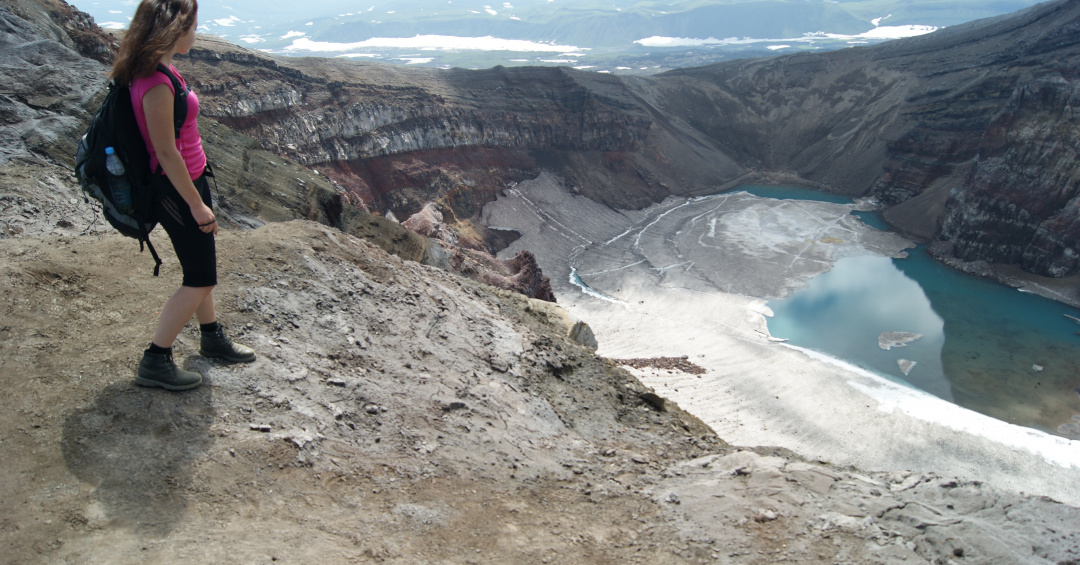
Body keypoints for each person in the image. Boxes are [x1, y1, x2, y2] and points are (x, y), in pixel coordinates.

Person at [109, 0, 255, 391]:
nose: (196, 34)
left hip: (186, 182)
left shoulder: (159, 69)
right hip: (176, 189)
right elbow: (165, 151)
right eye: (192, 26)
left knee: (199, 267)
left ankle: (211, 337)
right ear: (174, 28)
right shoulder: (155, 82)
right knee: (202, 277)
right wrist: (195, 204)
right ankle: (156, 359)